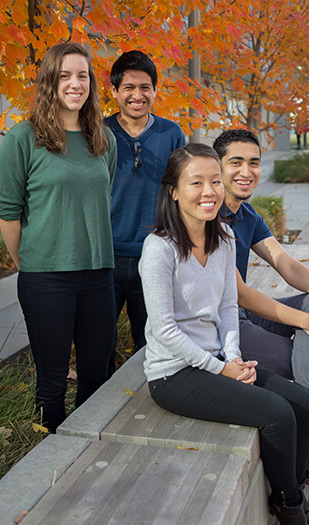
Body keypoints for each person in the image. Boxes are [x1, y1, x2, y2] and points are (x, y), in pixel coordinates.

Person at [139, 143, 309, 525]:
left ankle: (295, 489)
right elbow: (164, 329)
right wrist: (219, 369)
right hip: (174, 373)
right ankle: (288, 506)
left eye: (215, 182)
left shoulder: (222, 237)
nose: (209, 191)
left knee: (302, 405)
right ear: (173, 190)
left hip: (218, 360)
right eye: (196, 182)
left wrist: (232, 356)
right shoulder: (159, 249)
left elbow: (226, 308)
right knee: (278, 415)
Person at [213, 128, 309, 489]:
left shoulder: (244, 212)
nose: (247, 171)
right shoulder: (208, 213)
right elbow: (238, 292)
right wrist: (307, 321)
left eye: (254, 162)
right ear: (218, 167)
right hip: (217, 328)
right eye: (236, 162)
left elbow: (285, 263)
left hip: (241, 315)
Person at [0, 43, 117, 433]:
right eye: (65, 75)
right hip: (46, 277)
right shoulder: (23, 137)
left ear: (91, 83)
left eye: (82, 75)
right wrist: (29, 263)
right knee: (51, 382)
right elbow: (8, 213)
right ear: (50, 81)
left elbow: (101, 197)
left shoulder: (104, 139)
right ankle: (50, 454)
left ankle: (85, 455)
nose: (75, 83)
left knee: (97, 376)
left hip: (99, 273)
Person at [104, 50, 186, 377]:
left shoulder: (171, 134)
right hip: (104, 257)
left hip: (155, 255)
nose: (137, 95)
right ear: (114, 91)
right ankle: (93, 410)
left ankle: (146, 409)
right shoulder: (98, 133)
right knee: (99, 343)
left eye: (145, 87)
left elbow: (181, 190)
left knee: (151, 341)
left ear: (155, 90)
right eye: (128, 87)